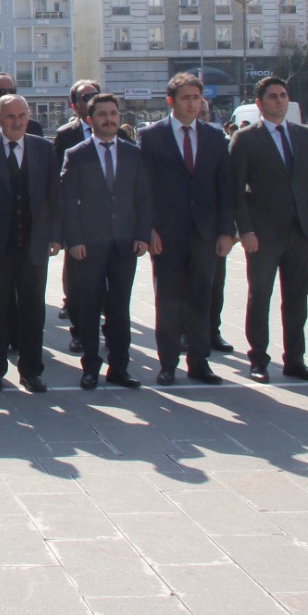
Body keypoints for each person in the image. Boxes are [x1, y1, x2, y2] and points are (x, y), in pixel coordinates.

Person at [228, 76, 308, 383]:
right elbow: (235, 191)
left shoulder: (301, 136)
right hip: (263, 233)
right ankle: (258, 358)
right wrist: (245, 230)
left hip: (299, 230)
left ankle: (295, 359)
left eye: (283, 95)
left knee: (296, 297)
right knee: (260, 295)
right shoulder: (245, 139)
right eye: (273, 96)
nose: (280, 101)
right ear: (259, 104)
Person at [138, 73, 235, 386]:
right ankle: (167, 362)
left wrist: (225, 231)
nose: (193, 104)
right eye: (186, 98)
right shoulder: (152, 136)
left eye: (197, 97)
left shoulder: (214, 136)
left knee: (200, 296)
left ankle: (199, 360)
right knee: (167, 297)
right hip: (166, 233)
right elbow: (145, 186)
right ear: (171, 101)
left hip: (204, 232)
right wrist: (148, 228)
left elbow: (225, 186)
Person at [0, 94, 61, 393]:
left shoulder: (44, 148)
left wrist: (56, 236)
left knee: (33, 310)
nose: (17, 122)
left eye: (22, 116)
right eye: (10, 117)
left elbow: (54, 196)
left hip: (33, 244)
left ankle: (32, 370)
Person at [59, 93, 149, 389]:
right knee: (88, 306)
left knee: (120, 308)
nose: (109, 119)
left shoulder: (133, 152)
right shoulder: (77, 154)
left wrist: (142, 235)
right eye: (102, 115)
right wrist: (73, 240)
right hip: (89, 244)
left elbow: (143, 197)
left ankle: (120, 367)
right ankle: (90, 367)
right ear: (90, 120)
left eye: (113, 114)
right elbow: (68, 202)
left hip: (125, 243)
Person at [53, 80, 101, 344]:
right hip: (78, 217)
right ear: (74, 105)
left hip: (111, 220)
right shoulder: (66, 135)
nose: (91, 100)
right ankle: (79, 329)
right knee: (78, 275)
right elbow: (58, 178)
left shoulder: (119, 134)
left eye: (95, 95)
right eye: (85, 97)